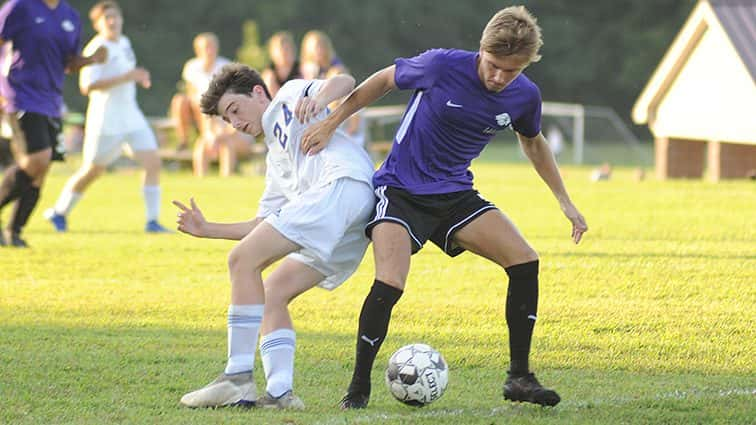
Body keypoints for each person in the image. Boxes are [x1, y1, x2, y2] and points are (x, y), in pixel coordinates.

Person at [302, 6, 588, 409]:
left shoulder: (525, 96)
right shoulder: (440, 66)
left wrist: (565, 201)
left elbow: (533, 143)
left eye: (512, 71)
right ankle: (358, 388)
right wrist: (332, 122)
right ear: (481, 51)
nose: (499, 78)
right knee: (391, 282)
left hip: (454, 195)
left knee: (524, 261)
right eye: (493, 66)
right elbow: (384, 79)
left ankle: (520, 379)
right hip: (400, 189)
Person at [175, 63, 374, 409]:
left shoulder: (285, 97)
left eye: (234, 110)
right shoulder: (276, 162)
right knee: (271, 292)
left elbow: (346, 80)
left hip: (340, 185)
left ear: (257, 92)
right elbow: (263, 225)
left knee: (241, 261)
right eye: (226, 120)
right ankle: (281, 393)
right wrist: (208, 230)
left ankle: (237, 377)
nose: (234, 123)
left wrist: (321, 100)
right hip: (350, 218)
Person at [43, 1, 169, 233]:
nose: (112, 21)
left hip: (131, 116)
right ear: (98, 24)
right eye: (106, 18)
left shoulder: (124, 42)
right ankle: (59, 212)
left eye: (115, 16)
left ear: (121, 19)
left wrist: (139, 77)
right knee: (93, 170)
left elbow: (127, 73)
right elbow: (87, 85)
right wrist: (126, 77)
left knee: (153, 163)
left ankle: (152, 222)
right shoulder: (97, 47)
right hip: (106, 121)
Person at [0, 0, 106, 247]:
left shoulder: (69, 15)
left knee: (40, 170)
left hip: (51, 100)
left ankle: (13, 232)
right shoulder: (20, 6)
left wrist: (91, 60)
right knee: (37, 159)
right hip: (20, 95)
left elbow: (69, 63)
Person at [261, 31, 301, 97]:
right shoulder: (269, 75)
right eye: (281, 50)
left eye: (287, 49)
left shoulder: (301, 70)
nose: (284, 53)